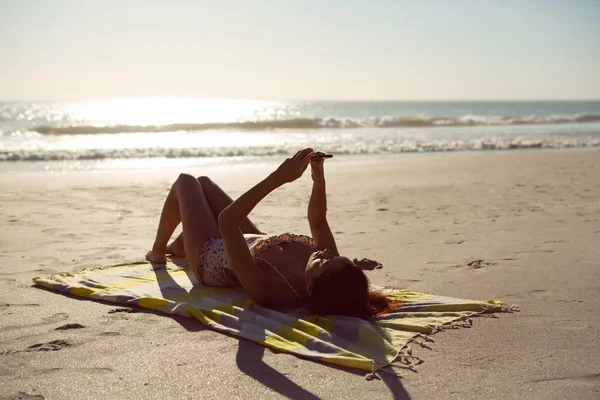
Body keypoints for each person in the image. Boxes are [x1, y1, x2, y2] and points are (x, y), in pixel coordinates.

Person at [146, 148, 400, 319]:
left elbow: (228, 222)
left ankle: (159, 252)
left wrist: (278, 178)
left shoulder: (269, 291)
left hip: (210, 254)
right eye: (333, 257)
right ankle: (178, 246)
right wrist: (318, 178)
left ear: (312, 287)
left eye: (324, 261)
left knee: (186, 181)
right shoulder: (326, 270)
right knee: (204, 183)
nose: (325, 253)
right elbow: (318, 219)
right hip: (259, 242)